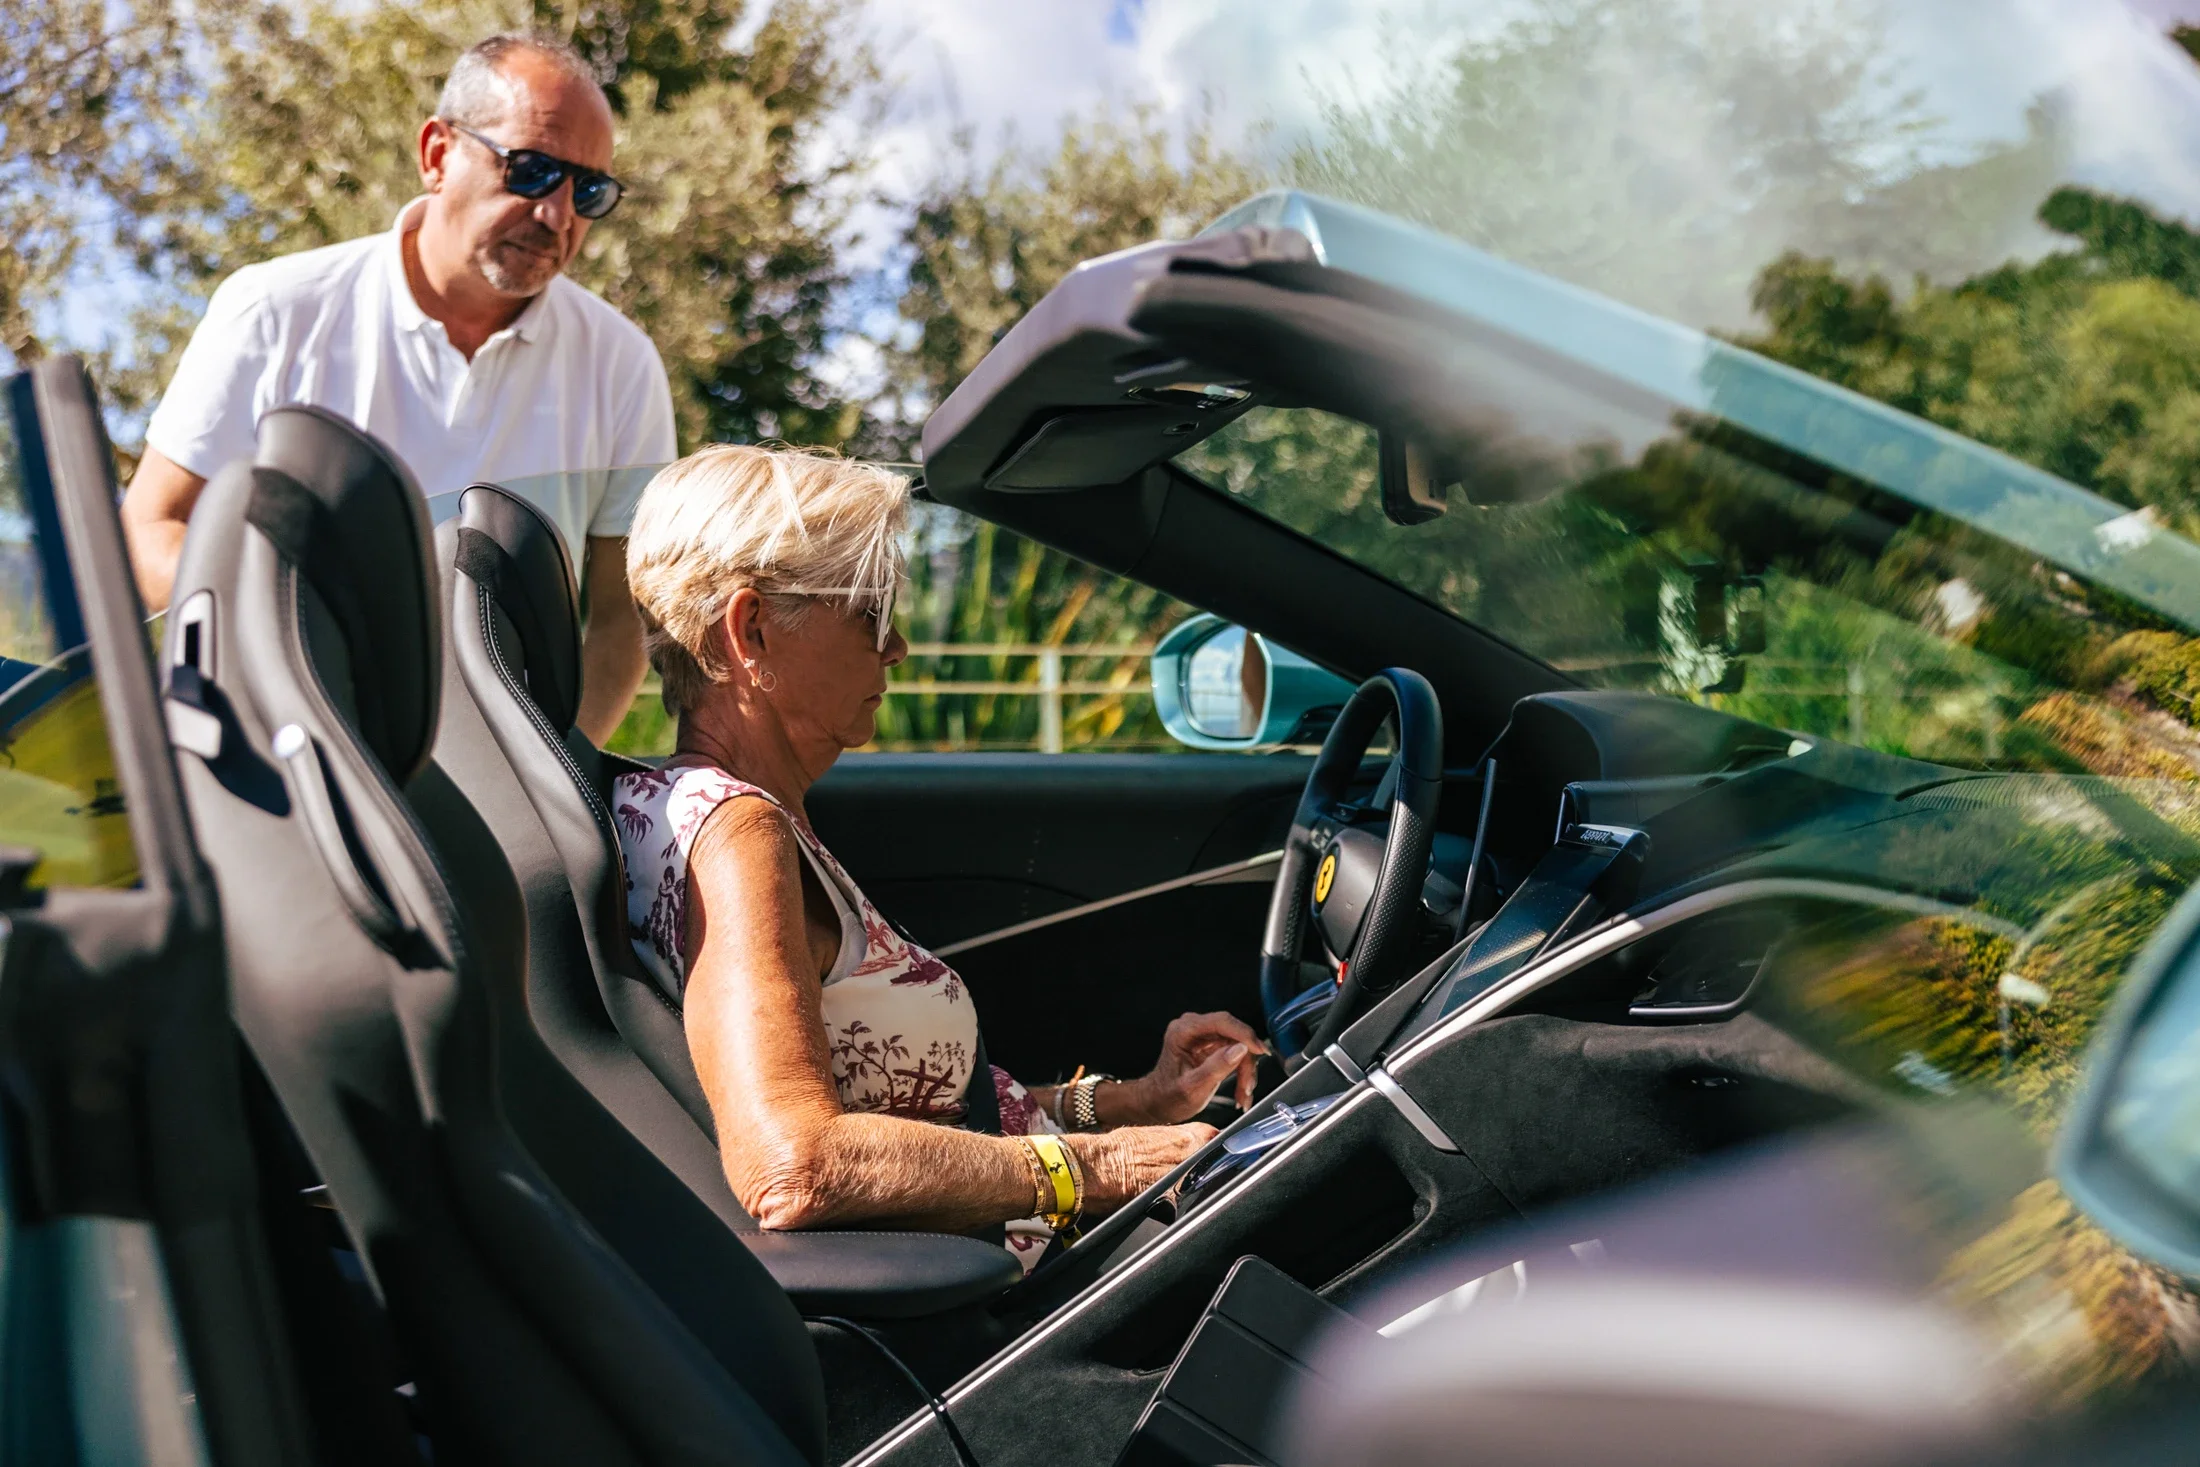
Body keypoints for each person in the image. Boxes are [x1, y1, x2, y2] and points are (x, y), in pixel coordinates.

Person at [615, 444, 1267, 1268]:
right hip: (1009, 1316)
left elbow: (925, 1118)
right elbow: (794, 1164)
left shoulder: (673, 805)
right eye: (868, 610)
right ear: (751, 632)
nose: (896, 648)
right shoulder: (740, 837)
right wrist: (1097, 1169)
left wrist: (1129, 1102)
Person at [122, 31, 670, 744]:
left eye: (588, 189)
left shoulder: (623, 364)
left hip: (508, 788)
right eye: (531, 170)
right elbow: (151, 532)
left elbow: (623, 614)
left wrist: (558, 778)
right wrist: (293, 659)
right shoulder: (274, 309)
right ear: (437, 154)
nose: (556, 215)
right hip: (285, 754)